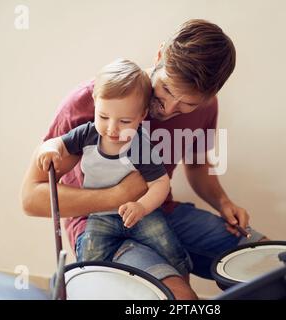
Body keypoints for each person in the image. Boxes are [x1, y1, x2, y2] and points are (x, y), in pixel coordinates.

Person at [21, 19, 267, 300]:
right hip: (98, 227)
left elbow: (198, 165)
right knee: (179, 297)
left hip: (162, 212)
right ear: (159, 55)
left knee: (273, 263)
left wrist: (223, 202)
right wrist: (118, 196)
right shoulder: (95, 103)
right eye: (167, 90)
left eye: (188, 104)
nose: (171, 108)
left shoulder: (207, 106)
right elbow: (31, 199)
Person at [36, 59, 191, 277]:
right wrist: (51, 149)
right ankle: (84, 285)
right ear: (95, 103)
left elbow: (160, 182)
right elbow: (58, 142)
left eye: (125, 121)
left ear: (142, 115)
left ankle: (183, 274)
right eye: (103, 117)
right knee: (90, 256)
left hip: (141, 214)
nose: (112, 129)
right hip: (100, 216)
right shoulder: (87, 134)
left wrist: (142, 207)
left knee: (168, 245)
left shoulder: (138, 144)